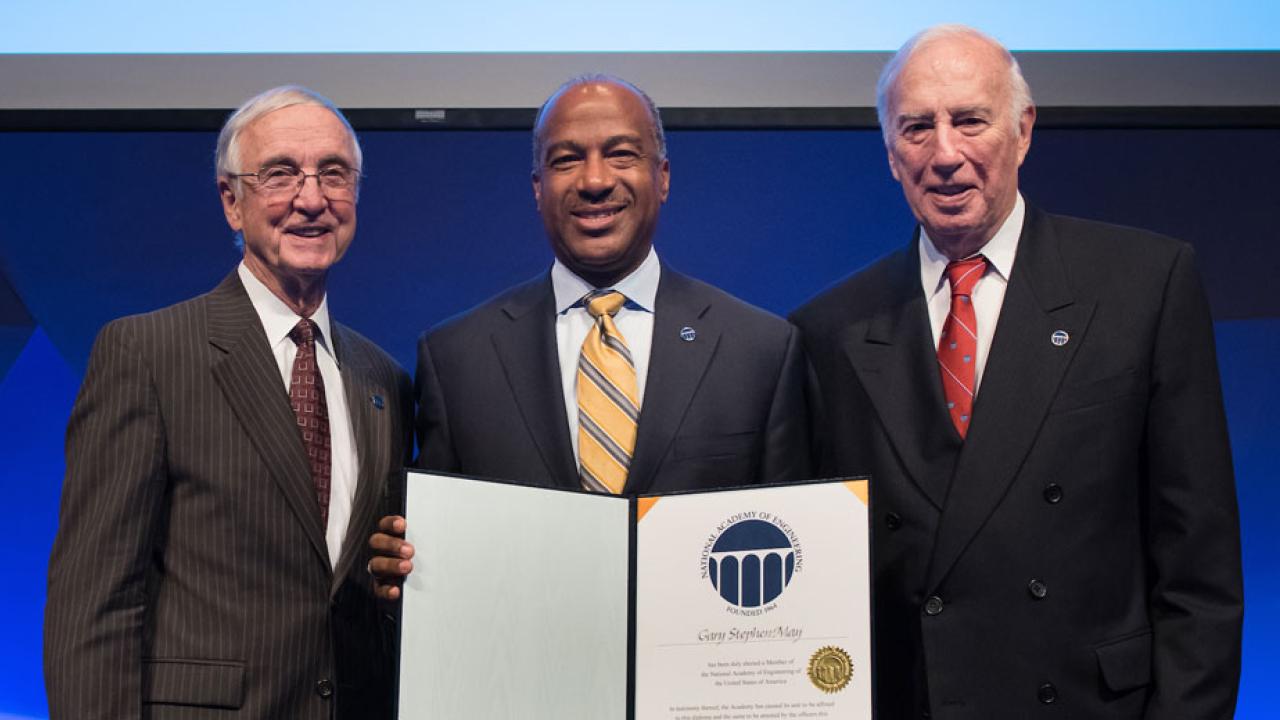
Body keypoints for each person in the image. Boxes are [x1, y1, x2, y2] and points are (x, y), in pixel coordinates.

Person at [791, 25, 1244, 718]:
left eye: (970, 120)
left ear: (1023, 130)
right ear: (889, 153)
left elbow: (1200, 572)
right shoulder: (829, 330)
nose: (945, 154)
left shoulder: (1142, 286)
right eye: (917, 128)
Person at [44, 85, 413, 719]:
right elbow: (93, 604)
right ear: (231, 203)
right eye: (280, 175)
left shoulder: (384, 379)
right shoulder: (147, 353)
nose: (311, 198)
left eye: (334, 174)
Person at [371, 74, 811, 594]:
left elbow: (795, 553)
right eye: (566, 160)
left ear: (663, 176)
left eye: (621, 154)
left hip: (699, 668)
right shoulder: (457, 358)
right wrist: (403, 569)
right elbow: (435, 559)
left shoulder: (759, 350)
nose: (595, 180)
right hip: (524, 665)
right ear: (537, 188)